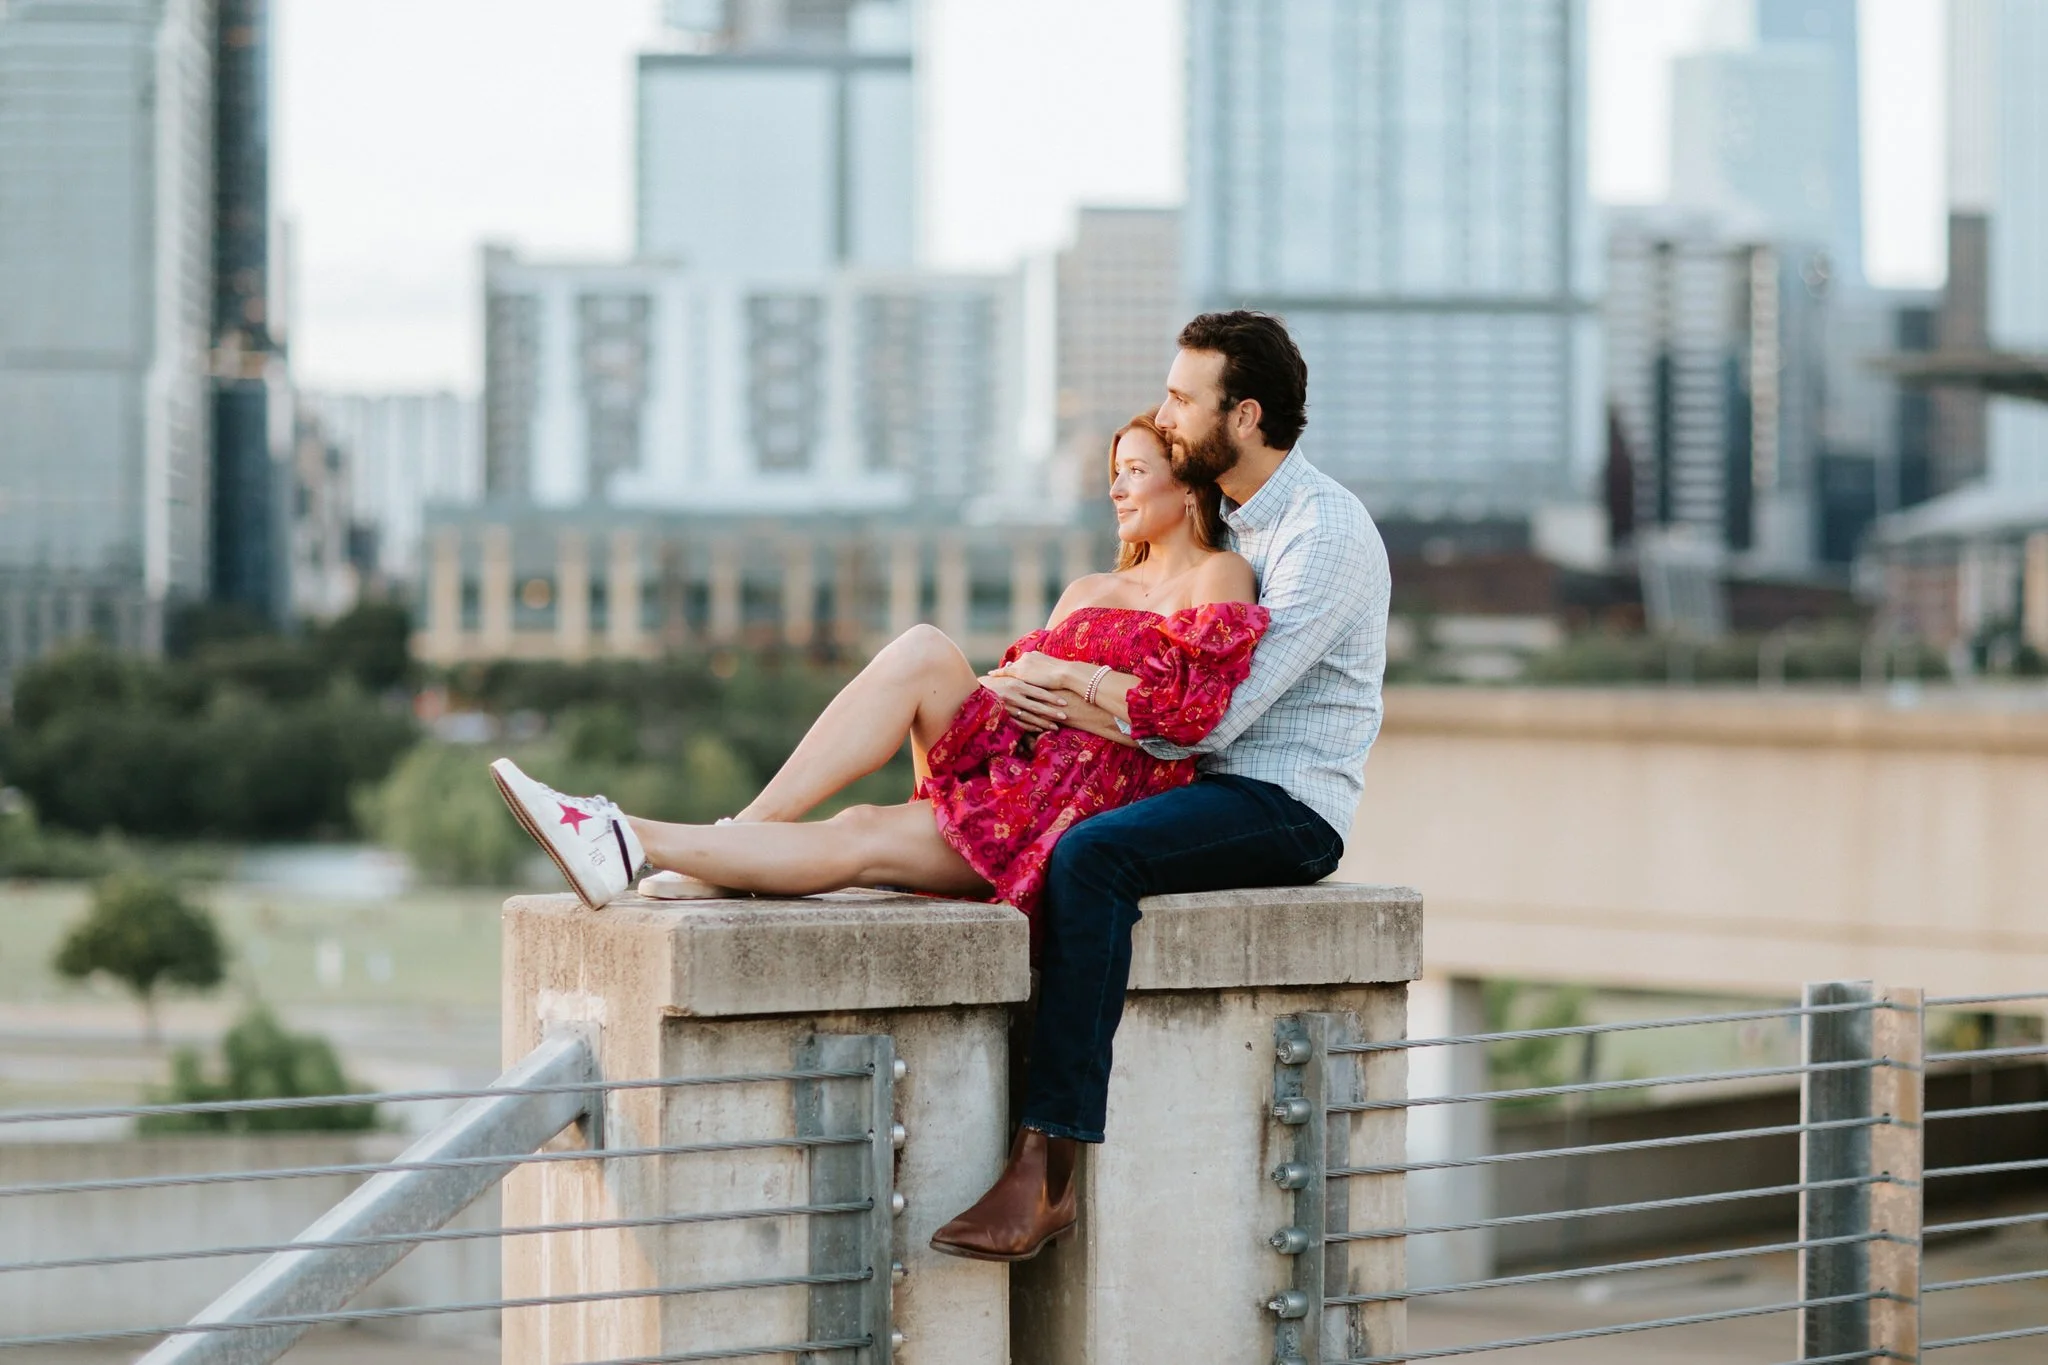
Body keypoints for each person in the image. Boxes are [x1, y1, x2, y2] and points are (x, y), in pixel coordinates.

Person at [924, 311, 1389, 1263]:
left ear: (1246, 415)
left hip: (1280, 801)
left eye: (1184, 397)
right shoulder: (1238, 528)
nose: (1166, 415)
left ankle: (1045, 1170)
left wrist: (1070, 683)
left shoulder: (1321, 532)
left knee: (1095, 855)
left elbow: (1210, 721)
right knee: (1033, 829)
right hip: (1191, 781)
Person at [488, 411, 1271, 949]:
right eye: (1114, 471)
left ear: (1189, 485)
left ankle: (618, 833)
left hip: (1064, 810)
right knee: (927, 647)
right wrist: (1013, 683)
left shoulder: (1219, 574)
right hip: (1012, 763)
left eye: (1136, 470)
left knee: (860, 831)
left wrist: (1061, 671)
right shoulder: (1089, 590)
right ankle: (739, 835)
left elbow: (1185, 713)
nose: (1117, 487)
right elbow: (1012, 682)